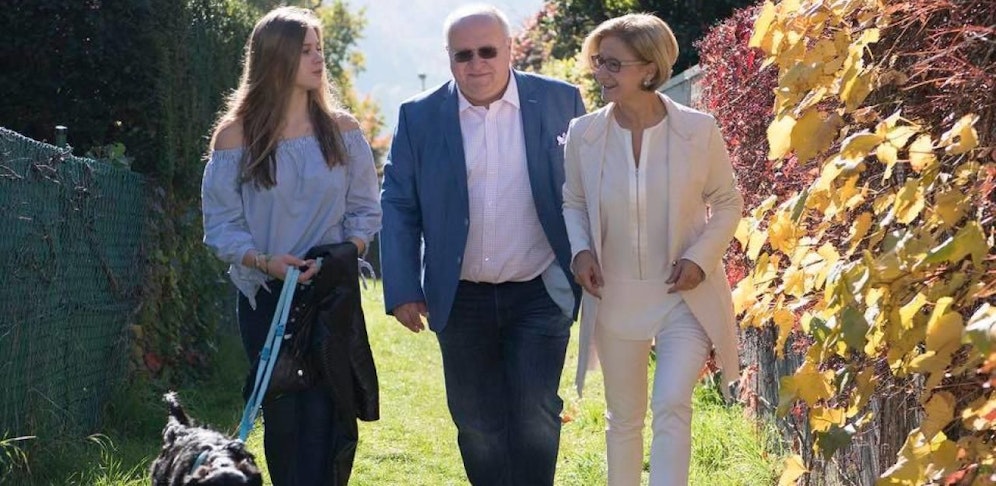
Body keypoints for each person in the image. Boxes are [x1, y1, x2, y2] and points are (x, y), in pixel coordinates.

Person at [379, 4, 586, 485]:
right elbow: (400, 205)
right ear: (448, 58)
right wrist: (405, 287)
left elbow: (588, 189)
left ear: (510, 49)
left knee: (536, 412)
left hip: (540, 288)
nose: (476, 64)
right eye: (462, 55)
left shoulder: (561, 102)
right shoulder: (419, 116)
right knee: (476, 423)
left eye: (488, 51)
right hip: (460, 294)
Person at [200, 6, 381, 485]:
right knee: (286, 420)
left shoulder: (341, 130)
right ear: (275, 57)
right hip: (266, 297)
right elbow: (221, 224)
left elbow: (366, 209)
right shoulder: (235, 136)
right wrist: (264, 262)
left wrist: (346, 253)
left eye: (319, 48)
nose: (318, 58)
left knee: (330, 416)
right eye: (306, 50)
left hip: (331, 296)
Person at [562, 13, 744, 486]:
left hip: (682, 298)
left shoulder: (698, 130)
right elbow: (574, 202)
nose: (600, 74)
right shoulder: (584, 133)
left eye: (613, 65)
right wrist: (581, 251)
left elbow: (727, 202)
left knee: (671, 405)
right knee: (624, 419)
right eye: (598, 62)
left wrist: (699, 260)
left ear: (649, 69)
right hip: (615, 299)